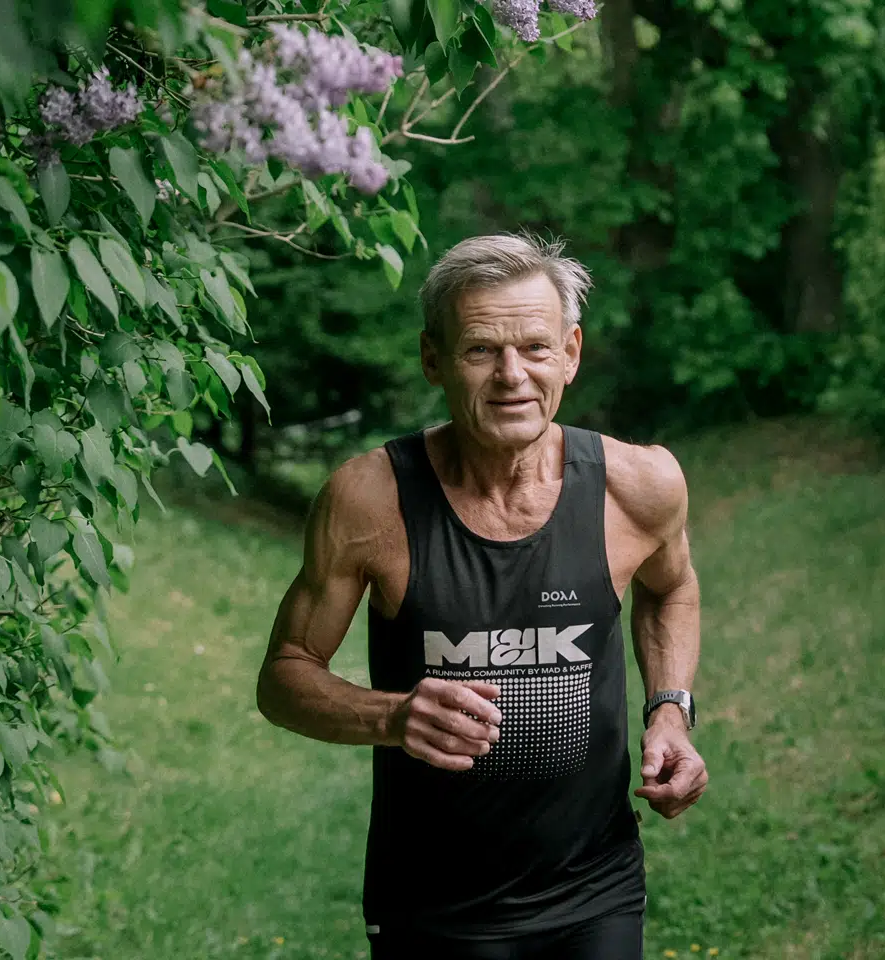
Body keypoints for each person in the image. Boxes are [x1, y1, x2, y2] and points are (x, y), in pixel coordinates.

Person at [256, 233, 707, 959]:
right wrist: (393, 716)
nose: (511, 376)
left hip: (595, 884)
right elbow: (285, 675)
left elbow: (671, 586)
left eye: (534, 347)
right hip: (433, 904)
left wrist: (671, 712)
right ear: (432, 358)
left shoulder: (639, 487)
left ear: (571, 353)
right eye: (479, 351)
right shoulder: (370, 501)